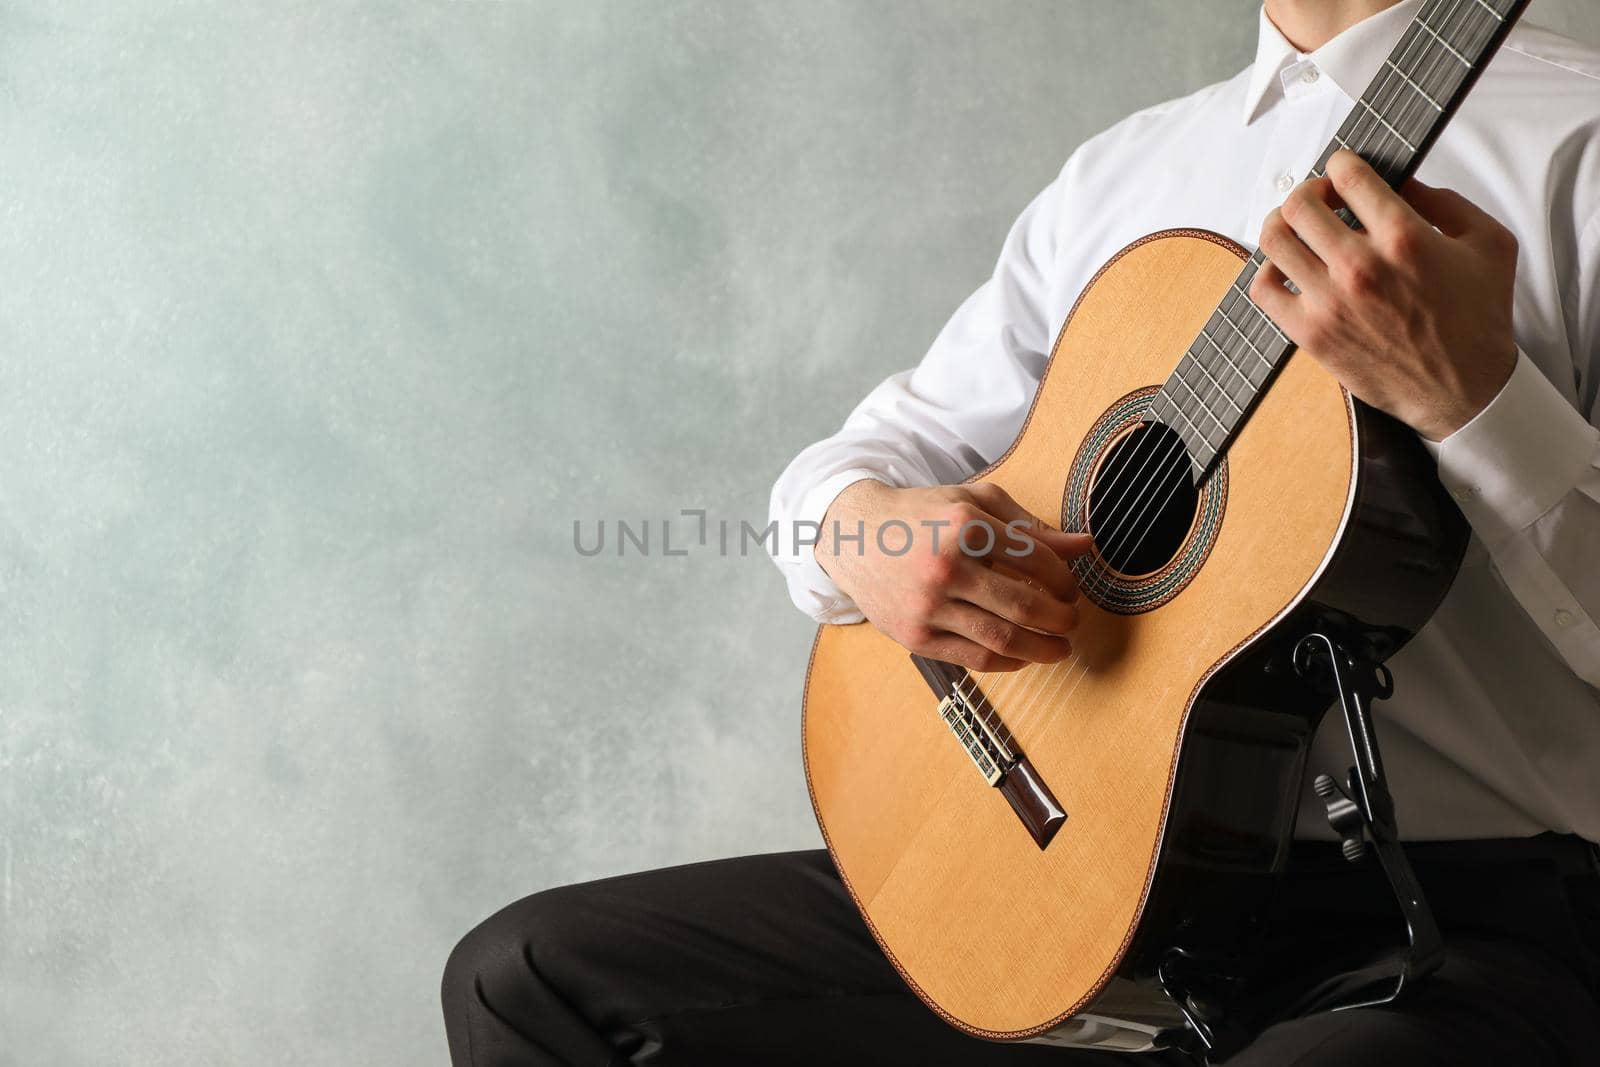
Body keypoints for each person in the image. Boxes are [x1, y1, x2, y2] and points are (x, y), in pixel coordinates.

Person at [442, 1, 1600, 1063]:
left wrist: (1474, 401)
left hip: (1459, 931)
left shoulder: (1580, 140)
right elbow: (853, 473)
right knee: (531, 978)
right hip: (1074, 881)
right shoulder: (1123, 174)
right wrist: (871, 538)